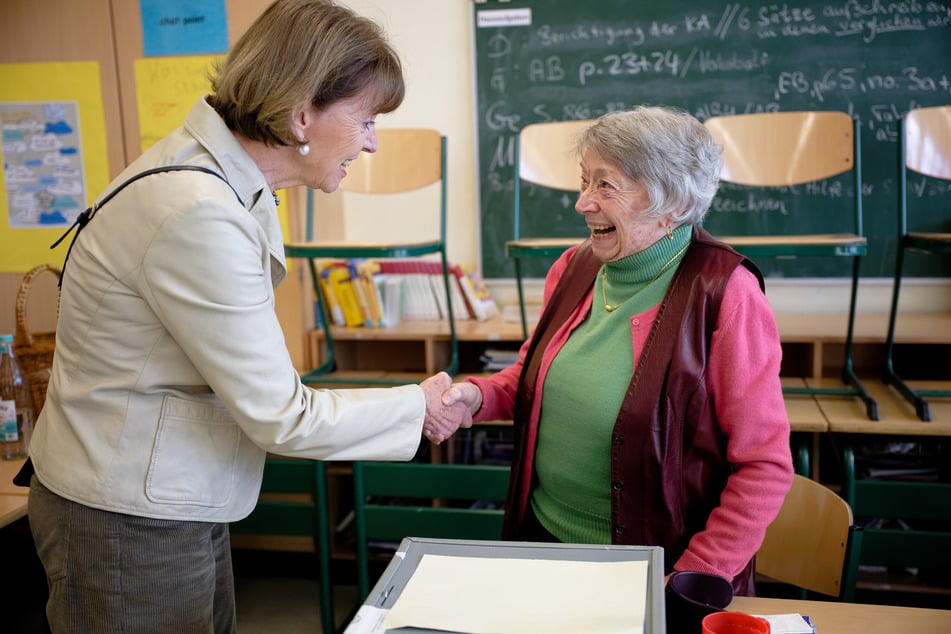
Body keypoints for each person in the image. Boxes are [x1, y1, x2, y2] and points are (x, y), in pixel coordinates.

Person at [22, 1, 468, 631]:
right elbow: (281, 415)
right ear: (302, 112)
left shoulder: (228, 180)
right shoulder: (195, 208)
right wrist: (417, 408)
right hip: (124, 511)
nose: (372, 142)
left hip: (169, 491)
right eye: (366, 120)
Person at [444, 105, 794, 595]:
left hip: (656, 570)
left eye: (605, 186)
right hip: (542, 540)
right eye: (584, 181)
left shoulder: (726, 295)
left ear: (672, 202)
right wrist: (477, 397)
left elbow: (764, 466)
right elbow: (533, 374)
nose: (582, 203)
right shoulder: (573, 267)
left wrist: (692, 577)